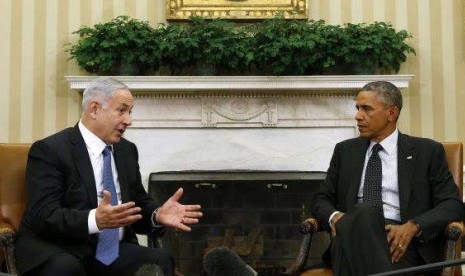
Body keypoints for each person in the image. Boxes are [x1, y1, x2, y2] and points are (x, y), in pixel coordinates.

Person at [14, 77, 203, 276]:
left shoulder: (126, 151)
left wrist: (157, 215)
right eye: (121, 110)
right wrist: (95, 219)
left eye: (130, 112)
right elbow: (43, 215)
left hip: (108, 250)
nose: (128, 121)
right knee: (66, 267)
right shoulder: (51, 150)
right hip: (59, 247)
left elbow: (136, 204)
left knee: (161, 258)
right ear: (94, 109)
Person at [310, 81, 465, 275]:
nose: (358, 116)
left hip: (401, 245)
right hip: (351, 235)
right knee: (364, 213)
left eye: (366, 109)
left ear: (392, 113)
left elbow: (452, 204)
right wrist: (336, 219)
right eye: (357, 108)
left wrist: (412, 227)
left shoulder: (427, 151)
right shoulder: (345, 151)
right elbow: (320, 199)